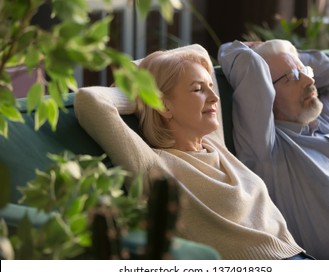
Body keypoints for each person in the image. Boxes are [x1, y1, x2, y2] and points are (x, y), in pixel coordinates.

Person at [74, 44, 311, 260]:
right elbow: (88, 100)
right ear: (165, 105)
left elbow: (198, 50)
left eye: (210, 86)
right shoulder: (153, 166)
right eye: (198, 89)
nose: (215, 97)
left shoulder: (214, 143)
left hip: (300, 256)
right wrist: (142, 95)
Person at [218, 39, 329, 260]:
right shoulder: (266, 151)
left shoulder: (327, 120)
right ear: (266, 93)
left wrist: (290, 57)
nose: (310, 79)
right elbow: (249, 68)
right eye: (293, 78)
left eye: (306, 71)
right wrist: (254, 52)